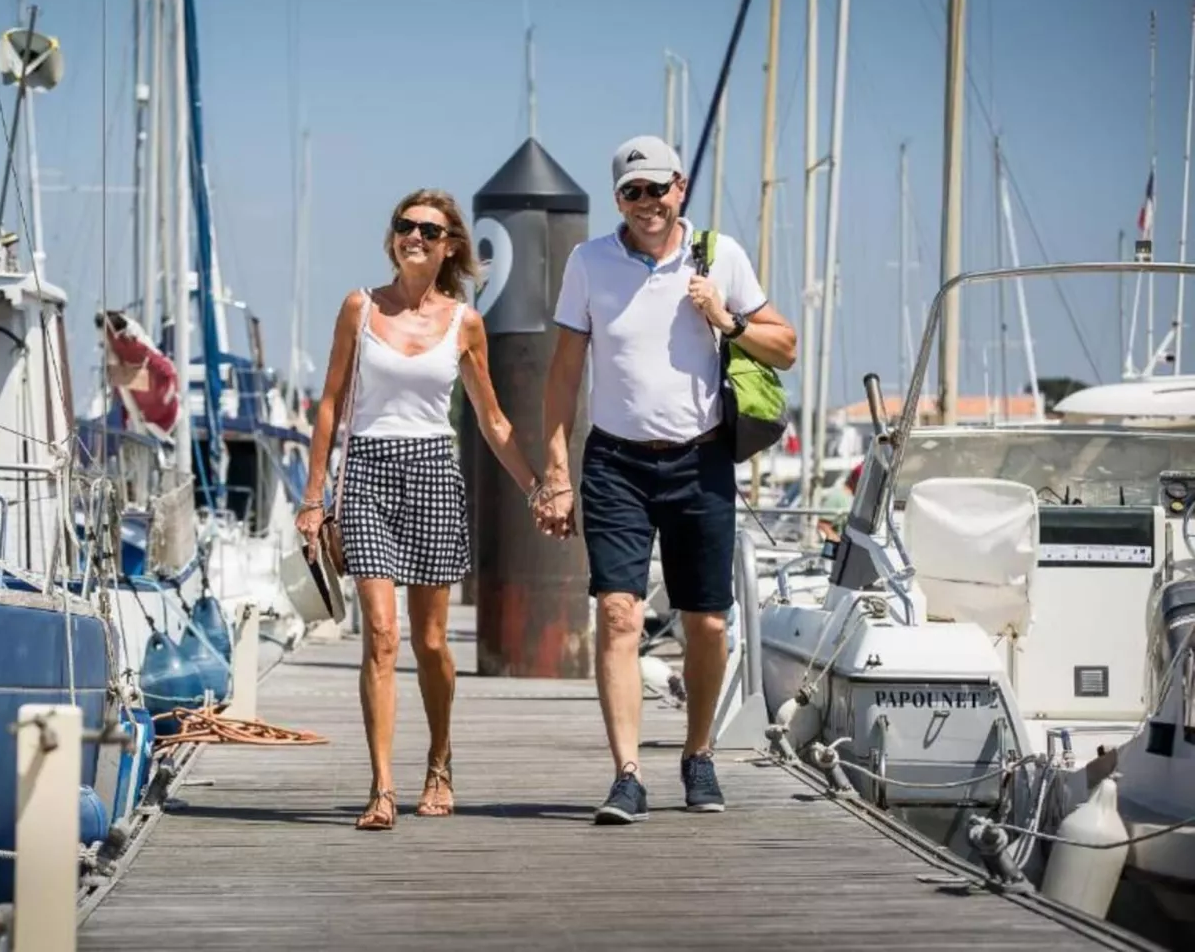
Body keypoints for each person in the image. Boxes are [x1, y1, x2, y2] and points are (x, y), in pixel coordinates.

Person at [536, 136, 797, 821]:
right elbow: (563, 374)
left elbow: (786, 347)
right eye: (633, 192)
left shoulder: (719, 256)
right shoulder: (588, 262)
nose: (647, 202)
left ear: (680, 187)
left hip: (699, 459)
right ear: (618, 198)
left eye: (658, 188)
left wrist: (726, 318)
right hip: (615, 462)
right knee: (618, 613)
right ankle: (627, 774)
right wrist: (556, 469)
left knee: (706, 623)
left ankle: (698, 753)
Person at [297, 188, 547, 831]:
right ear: (393, 237)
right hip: (369, 472)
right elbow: (330, 404)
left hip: (434, 472)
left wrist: (536, 489)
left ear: (449, 246)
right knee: (382, 635)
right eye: (405, 226)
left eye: (429, 230)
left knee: (431, 641)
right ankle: (382, 786)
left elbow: (492, 421)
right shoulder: (360, 307)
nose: (414, 236)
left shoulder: (465, 323)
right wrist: (314, 496)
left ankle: (439, 759)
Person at [816, 464, 863, 543]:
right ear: (856, 479)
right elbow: (822, 524)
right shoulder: (838, 496)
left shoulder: (855, 498)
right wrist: (836, 539)